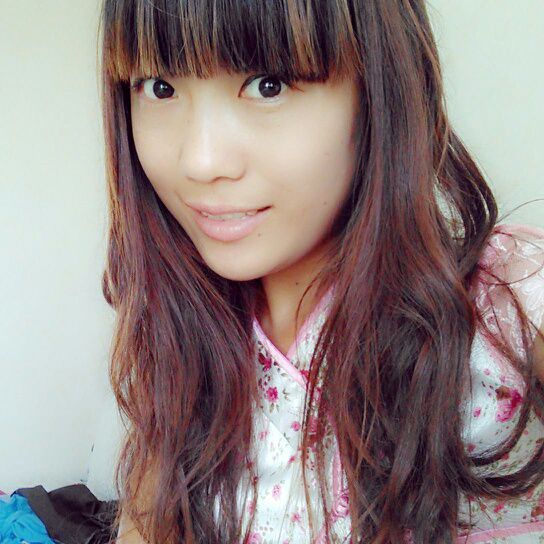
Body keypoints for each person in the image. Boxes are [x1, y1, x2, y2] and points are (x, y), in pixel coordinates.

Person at [96, 1, 544, 542]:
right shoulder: (181, 347)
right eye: (159, 87)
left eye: (268, 85)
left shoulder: (507, 299)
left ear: (378, 91)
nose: (201, 161)